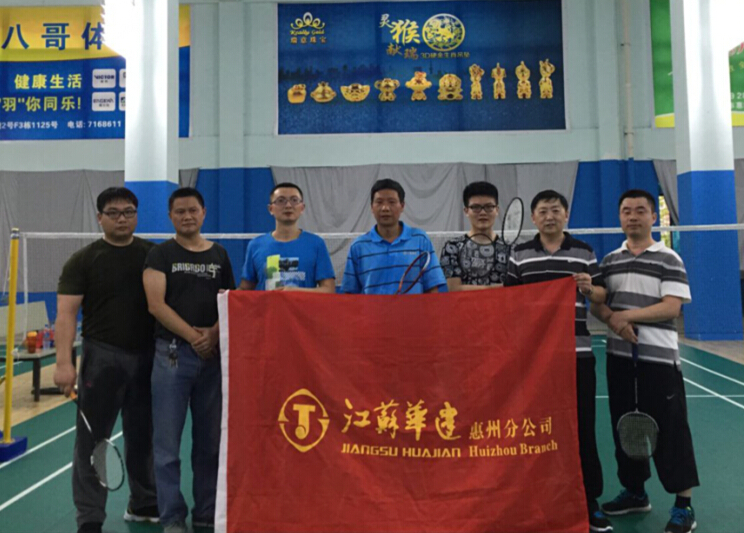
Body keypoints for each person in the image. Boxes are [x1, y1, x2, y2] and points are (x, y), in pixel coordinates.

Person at [591, 189, 698, 533]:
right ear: (619, 217)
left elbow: (671, 307)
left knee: (671, 432)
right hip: (621, 359)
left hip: (659, 361)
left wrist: (626, 316)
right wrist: (613, 319)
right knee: (626, 429)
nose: (633, 216)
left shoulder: (668, 258)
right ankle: (635, 492)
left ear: (653, 217)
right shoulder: (610, 261)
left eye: (640, 210)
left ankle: (683, 506)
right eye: (626, 211)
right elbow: (599, 305)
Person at [505, 190, 612, 533]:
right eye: (543, 211)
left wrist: (588, 288)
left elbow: (601, 294)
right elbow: (508, 302)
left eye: (555, 210)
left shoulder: (583, 251)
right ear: (533, 218)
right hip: (533, 360)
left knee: (582, 429)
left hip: (576, 355)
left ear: (566, 215)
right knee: (533, 429)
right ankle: (534, 497)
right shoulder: (519, 254)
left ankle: (589, 500)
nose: (549, 216)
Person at [54, 187, 159, 533]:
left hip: (148, 358)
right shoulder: (83, 260)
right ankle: (90, 518)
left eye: (128, 212)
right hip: (102, 359)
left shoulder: (153, 255)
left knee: (143, 435)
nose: (121, 219)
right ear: (100, 218)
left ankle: (144, 502)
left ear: (136, 216)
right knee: (93, 441)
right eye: (113, 213)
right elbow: (66, 314)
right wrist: (64, 363)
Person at [143, 187, 235, 533]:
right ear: (170, 216)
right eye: (180, 211)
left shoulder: (219, 254)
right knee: (167, 446)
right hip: (172, 358)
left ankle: (206, 514)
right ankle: (172, 517)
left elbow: (230, 300)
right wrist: (194, 337)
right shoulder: (159, 254)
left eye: (193, 210)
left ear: (203, 213)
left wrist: (213, 334)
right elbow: (156, 305)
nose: (187, 216)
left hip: (212, 359)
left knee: (209, 444)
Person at [341, 179, 446, 295]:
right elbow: (350, 294)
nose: (385, 208)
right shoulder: (358, 247)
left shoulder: (421, 240)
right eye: (379, 202)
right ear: (371, 207)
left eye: (392, 202)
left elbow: (432, 289)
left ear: (402, 206)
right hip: (372, 308)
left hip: (412, 308)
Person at [239, 182, 334, 292]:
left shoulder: (316, 244)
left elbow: (329, 290)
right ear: (270, 209)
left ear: (302, 208)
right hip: (267, 304)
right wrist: (225, 295)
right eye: (281, 201)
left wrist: (295, 292)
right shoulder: (255, 245)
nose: (288, 206)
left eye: (294, 200)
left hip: (302, 304)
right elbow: (244, 290)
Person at [440, 181, 510, 290]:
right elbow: (453, 289)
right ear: (466, 211)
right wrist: (492, 289)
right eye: (476, 207)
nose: (483, 213)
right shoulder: (452, 248)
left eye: (489, 207)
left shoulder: (510, 249)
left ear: (497, 210)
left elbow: (514, 289)